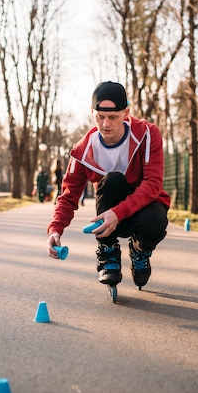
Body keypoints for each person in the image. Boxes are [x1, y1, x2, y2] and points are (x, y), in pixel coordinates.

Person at [46, 81, 170, 289]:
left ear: (126, 113)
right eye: (100, 117)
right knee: (112, 180)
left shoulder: (147, 134)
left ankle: (140, 251)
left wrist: (119, 213)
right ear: (92, 112)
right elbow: (68, 196)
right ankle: (108, 251)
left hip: (143, 209)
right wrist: (55, 229)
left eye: (113, 117)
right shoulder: (83, 151)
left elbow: (153, 184)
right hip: (110, 212)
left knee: (155, 222)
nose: (105, 124)